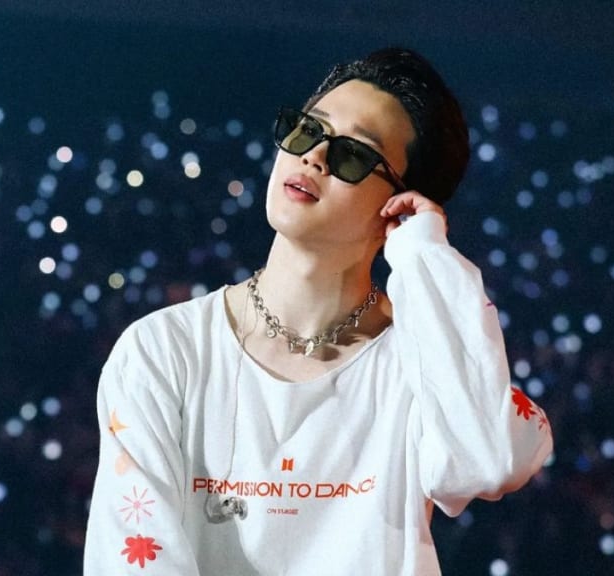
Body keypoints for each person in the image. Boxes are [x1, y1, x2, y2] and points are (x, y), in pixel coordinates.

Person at [83, 48, 553, 575]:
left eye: (353, 154)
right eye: (308, 130)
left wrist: (424, 255)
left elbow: (488, 461)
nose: (315, 157)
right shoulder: (163, 351)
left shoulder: (420, 362)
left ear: (400, 205)